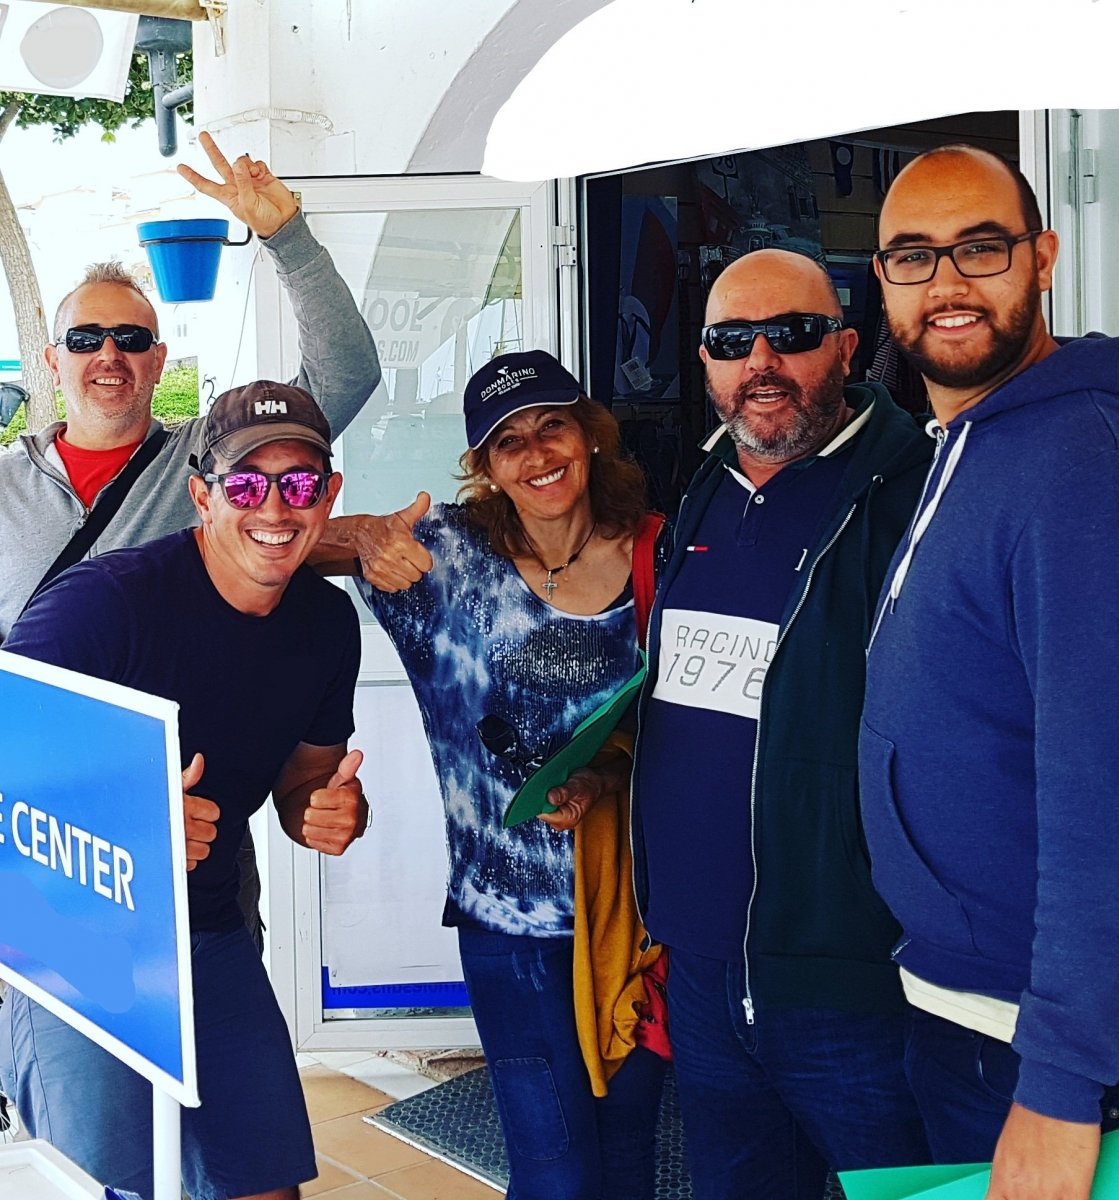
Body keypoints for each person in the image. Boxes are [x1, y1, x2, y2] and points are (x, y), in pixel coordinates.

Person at [861, 144, 1119, 1200]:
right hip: (992, 1007)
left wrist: (1060, 1086)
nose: (947, 283)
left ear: (1042, 258)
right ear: (882, 280)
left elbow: (1117, 800)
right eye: (914, 256)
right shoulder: (981, 437)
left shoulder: (1086, 466)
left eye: (981, 248)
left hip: (1056, 1046)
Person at [561, 248, 934, 1199]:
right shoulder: (708, 484)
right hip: (702, 970)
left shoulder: (916, 495)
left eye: (792, 334)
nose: (761, 360)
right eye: (733, 341)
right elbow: (701, 704)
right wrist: (609, 777)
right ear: (705, 361)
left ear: (846, 346)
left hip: (852, 979)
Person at [0, 131, 383, 948]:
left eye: (132, 339)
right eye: (86, 339)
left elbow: (344, 376)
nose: (110, 354)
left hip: (196, 828)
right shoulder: (4, 488)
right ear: (53, 360)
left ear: (159, 359)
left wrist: (287, 237)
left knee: (217, 1013)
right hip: (39, 822)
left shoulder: (216, 457)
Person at [0, 380, 368, 1199]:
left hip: (206, 932)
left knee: (264, 1184)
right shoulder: (104, 605)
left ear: (329, 494)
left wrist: (327, 809)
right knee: (106, 1186)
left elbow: (307, 779)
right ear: (202, 495)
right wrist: (130, 819)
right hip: (71, 942)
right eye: (246, 484)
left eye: (299, 482)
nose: (275, 507)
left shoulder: (325, 624)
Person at [351, 349, 667, 1200]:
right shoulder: (449, 557)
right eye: (508, 441)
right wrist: (366, 534)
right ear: (486, 466)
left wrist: (602, 781)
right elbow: (287, 544)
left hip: (633, 912)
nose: (537, 454)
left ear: (590, 435)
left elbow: (677, 727)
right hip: (508, 925)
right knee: (554, 1171)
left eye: (552, 426)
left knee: (627, 1158)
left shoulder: (657, 554)